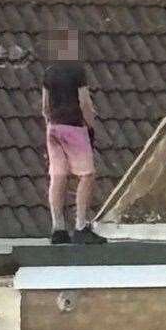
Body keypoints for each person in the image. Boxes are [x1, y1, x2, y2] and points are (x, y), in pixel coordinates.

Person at [41, 27, 106, 244]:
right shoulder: (77, 71)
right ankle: (80, 225)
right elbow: (84, 102)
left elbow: (44, 107)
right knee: (87, 174)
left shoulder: (48, 72)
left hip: (53, 128)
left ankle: (57, 227)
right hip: (74, 126)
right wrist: (90, 126)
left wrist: (50, 128)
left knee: (58, 176)